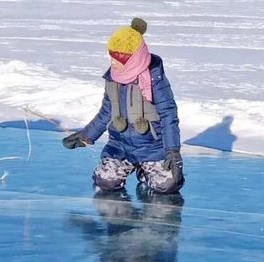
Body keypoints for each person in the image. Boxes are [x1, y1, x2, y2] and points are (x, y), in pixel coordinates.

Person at [62, 18, 184, 195]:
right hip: (120, 146)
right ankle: (125, 166)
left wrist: (172, 151)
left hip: (151, 147)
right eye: (111, 57)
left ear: (133, 60)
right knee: (105, 181)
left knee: (168, 185)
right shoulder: (113, 79)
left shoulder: (154, 79)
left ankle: (144, 171)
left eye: (118, 59)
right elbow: (106, 111)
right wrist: (86, 135)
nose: (113, 63)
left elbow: (168, 115)